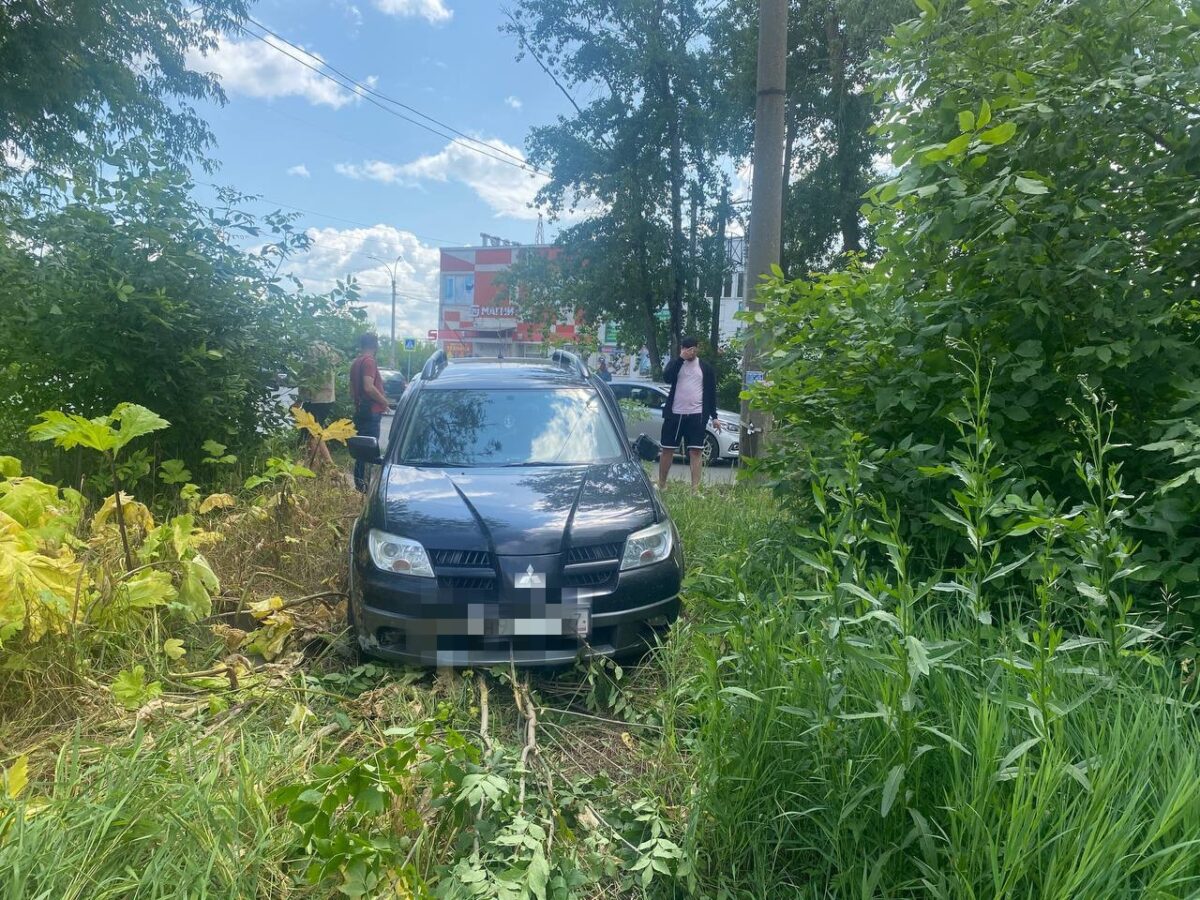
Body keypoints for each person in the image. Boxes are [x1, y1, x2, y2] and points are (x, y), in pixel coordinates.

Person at [658, 335, 719, 492]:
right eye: (685, 349)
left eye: (691, 349)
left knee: (696, 451)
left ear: (696, 349)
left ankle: (695, 489)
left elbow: (711, 393)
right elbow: (667, 378)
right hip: (675, 414)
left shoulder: (705, 368)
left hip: (697, 414)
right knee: (667, 449)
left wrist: (714, 417)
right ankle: (662, 485)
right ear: (682, 349)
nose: (689, 352)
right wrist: (680, 359)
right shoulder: (676, 364)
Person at [350, 332, 390, 492]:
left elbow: (352, 391)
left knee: (360, 449)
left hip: (360, 410)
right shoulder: (369, 362)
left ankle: (360, 484)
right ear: (375, 345)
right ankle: (366, 487)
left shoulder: (356, 363)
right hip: (371, 411)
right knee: (370, 451)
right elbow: (368, 386)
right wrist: (384, 401)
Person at [298, 340, 340, 470]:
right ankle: (325, 467)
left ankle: (320, 468)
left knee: (312, 435)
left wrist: (299, 399)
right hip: (328, 398)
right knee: (315, 434)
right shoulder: (329, 348)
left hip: (315, 399)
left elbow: (308, 375)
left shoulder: (311, 348)